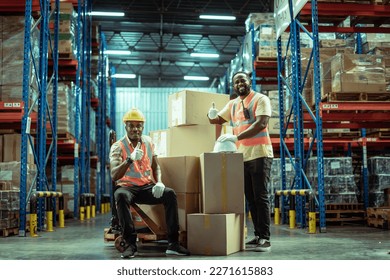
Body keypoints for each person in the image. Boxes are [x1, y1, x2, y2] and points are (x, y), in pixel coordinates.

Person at [109, 108, 190, 258]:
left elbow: (155, 165)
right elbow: (114, 175)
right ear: (125, 127)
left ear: (143, 127)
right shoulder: (118, 147)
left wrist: (159, 182)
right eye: (131, 125)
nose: (135, 129)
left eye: (139, 125)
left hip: (147, 187)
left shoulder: (148, 142)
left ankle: (173, 244)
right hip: (127, 188)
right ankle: (130, 245)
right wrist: (129, 159)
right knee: (120, 195)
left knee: (169, 194)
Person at [207, 71, 273, 252]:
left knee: (260, 196)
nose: (239, 84)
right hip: (241, 156)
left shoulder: (260, 99)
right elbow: (217, 120)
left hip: (260, 153)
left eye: (242, 80)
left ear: (249, 81)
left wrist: (236, 136)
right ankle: (258, 235)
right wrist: (210, 115)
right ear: (233, 86)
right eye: (236, 82)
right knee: (250, 198)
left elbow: (261, 123)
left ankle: (265, 238)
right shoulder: (233, 104)